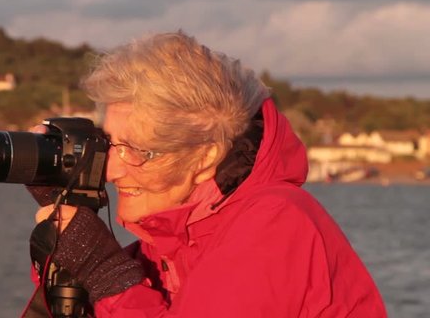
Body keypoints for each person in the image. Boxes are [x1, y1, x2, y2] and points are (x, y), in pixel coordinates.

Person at [26, 31, 386, 317]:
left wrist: (107, 273)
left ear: (205, 155)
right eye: (110, 144)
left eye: (136, 150)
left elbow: (116, 289)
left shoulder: (274, 223)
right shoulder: (171, 241)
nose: (112, 169)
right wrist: (67, 211)